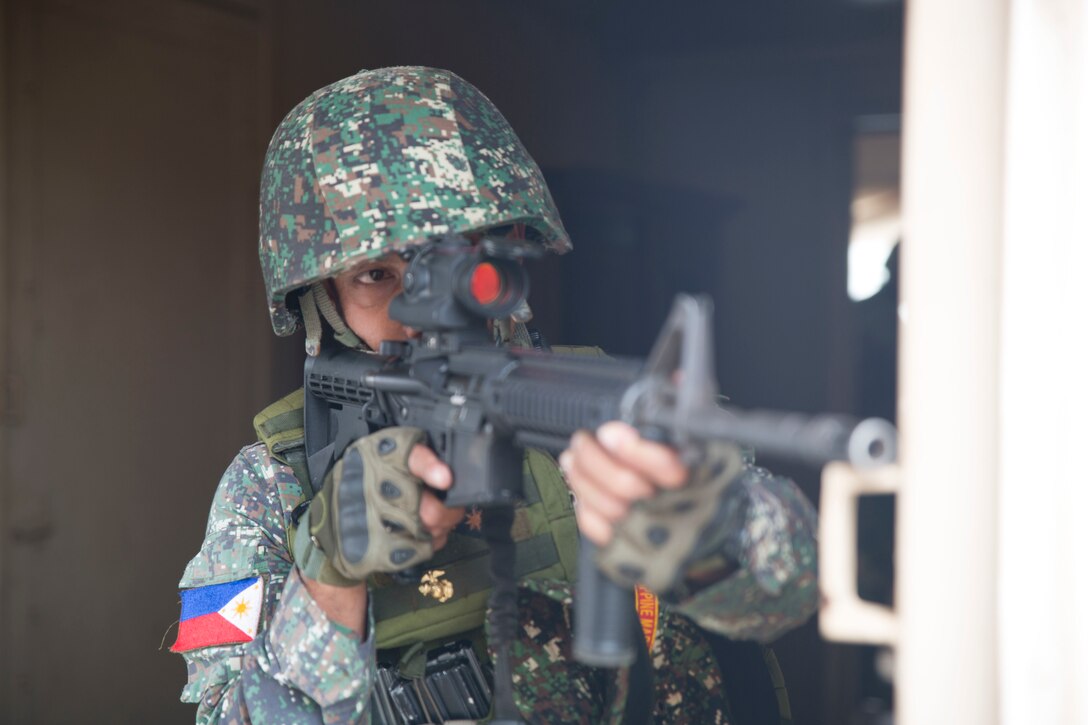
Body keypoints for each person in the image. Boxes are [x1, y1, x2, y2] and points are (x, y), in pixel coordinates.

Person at [172, 66, 818, 724]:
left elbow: (791, 590)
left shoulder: (599, 411)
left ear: (507, 257)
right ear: (322, 299)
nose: (418, 311)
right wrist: (332, 576)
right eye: (376, 273)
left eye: (454, 264)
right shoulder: (269, 484)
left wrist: (705, 530)